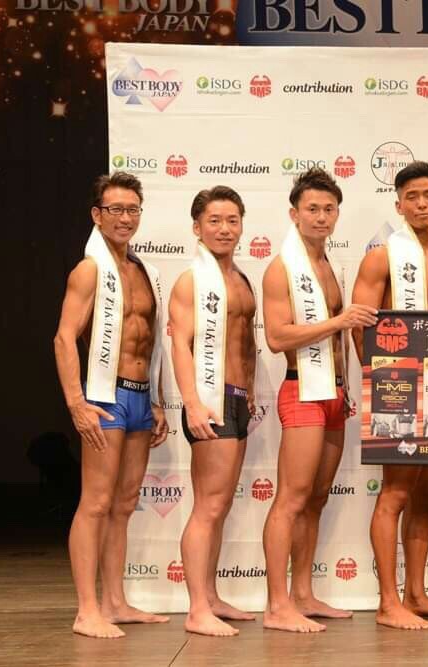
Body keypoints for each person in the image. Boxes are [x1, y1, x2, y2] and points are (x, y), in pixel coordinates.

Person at [260, 169, 378, 632]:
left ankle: (303, 594)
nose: (321, 216)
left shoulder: (329, 265)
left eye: (329, 209)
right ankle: (276, 605)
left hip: (333, 394)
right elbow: (276, 337)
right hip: (302, 391)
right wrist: (339, 321)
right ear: (294, 214)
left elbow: (340, 337)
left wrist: (349, 385)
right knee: (290, 499)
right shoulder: (281, 269)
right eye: (312, 208)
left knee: (317, 498)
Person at [54, 171, 169, 638]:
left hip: (140, 397)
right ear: (96, 215)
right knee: (96, 502)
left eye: (132, 209)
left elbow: (151, 342)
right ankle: (87, 610)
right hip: (105, 396)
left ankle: (115, 602)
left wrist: (158, 400)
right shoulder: (89, 270)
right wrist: (77, 404)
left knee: (124, 503)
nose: (125, 218)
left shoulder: (145, 272)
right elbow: (64, 338)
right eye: (115, 209)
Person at [352, 161, 428, 630]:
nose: (421, 204)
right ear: (399, 205)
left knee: (426, 493)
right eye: (412, 197)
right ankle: (387, 601)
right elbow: (360, 324)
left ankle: (416, 593)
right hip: (396, 386)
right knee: (396, 491)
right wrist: (380, 385)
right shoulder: (382, 257)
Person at [169, 186, 257, 637]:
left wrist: (251, 390)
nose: (224, 229)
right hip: (209, 398)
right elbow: (180, 345)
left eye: (232, 220)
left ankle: (212, 596)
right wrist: (192, 403)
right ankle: (196, 609)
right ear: (197, 228)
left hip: (237, 399)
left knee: (219, 506)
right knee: (208, 505)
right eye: (215, 221)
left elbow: (247, 342)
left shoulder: (241, 279)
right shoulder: (191, 281)